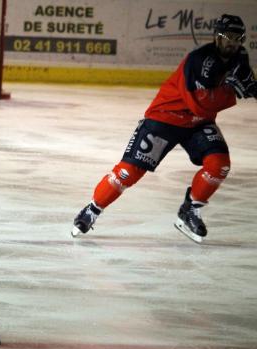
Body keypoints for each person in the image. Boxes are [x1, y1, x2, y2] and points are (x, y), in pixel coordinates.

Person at [71, 14, 255, 243]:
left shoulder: (240, 57)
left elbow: (246, 84)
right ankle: (92, 209)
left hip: (198, 122)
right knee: (128, 173)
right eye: (228, 37)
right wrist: (230, 92)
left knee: (220, 165)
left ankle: (190, 209)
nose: (232, 42)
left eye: (238, 38)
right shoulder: (198, 60)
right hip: (165, 118)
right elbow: (198, 103)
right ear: (216, 37)